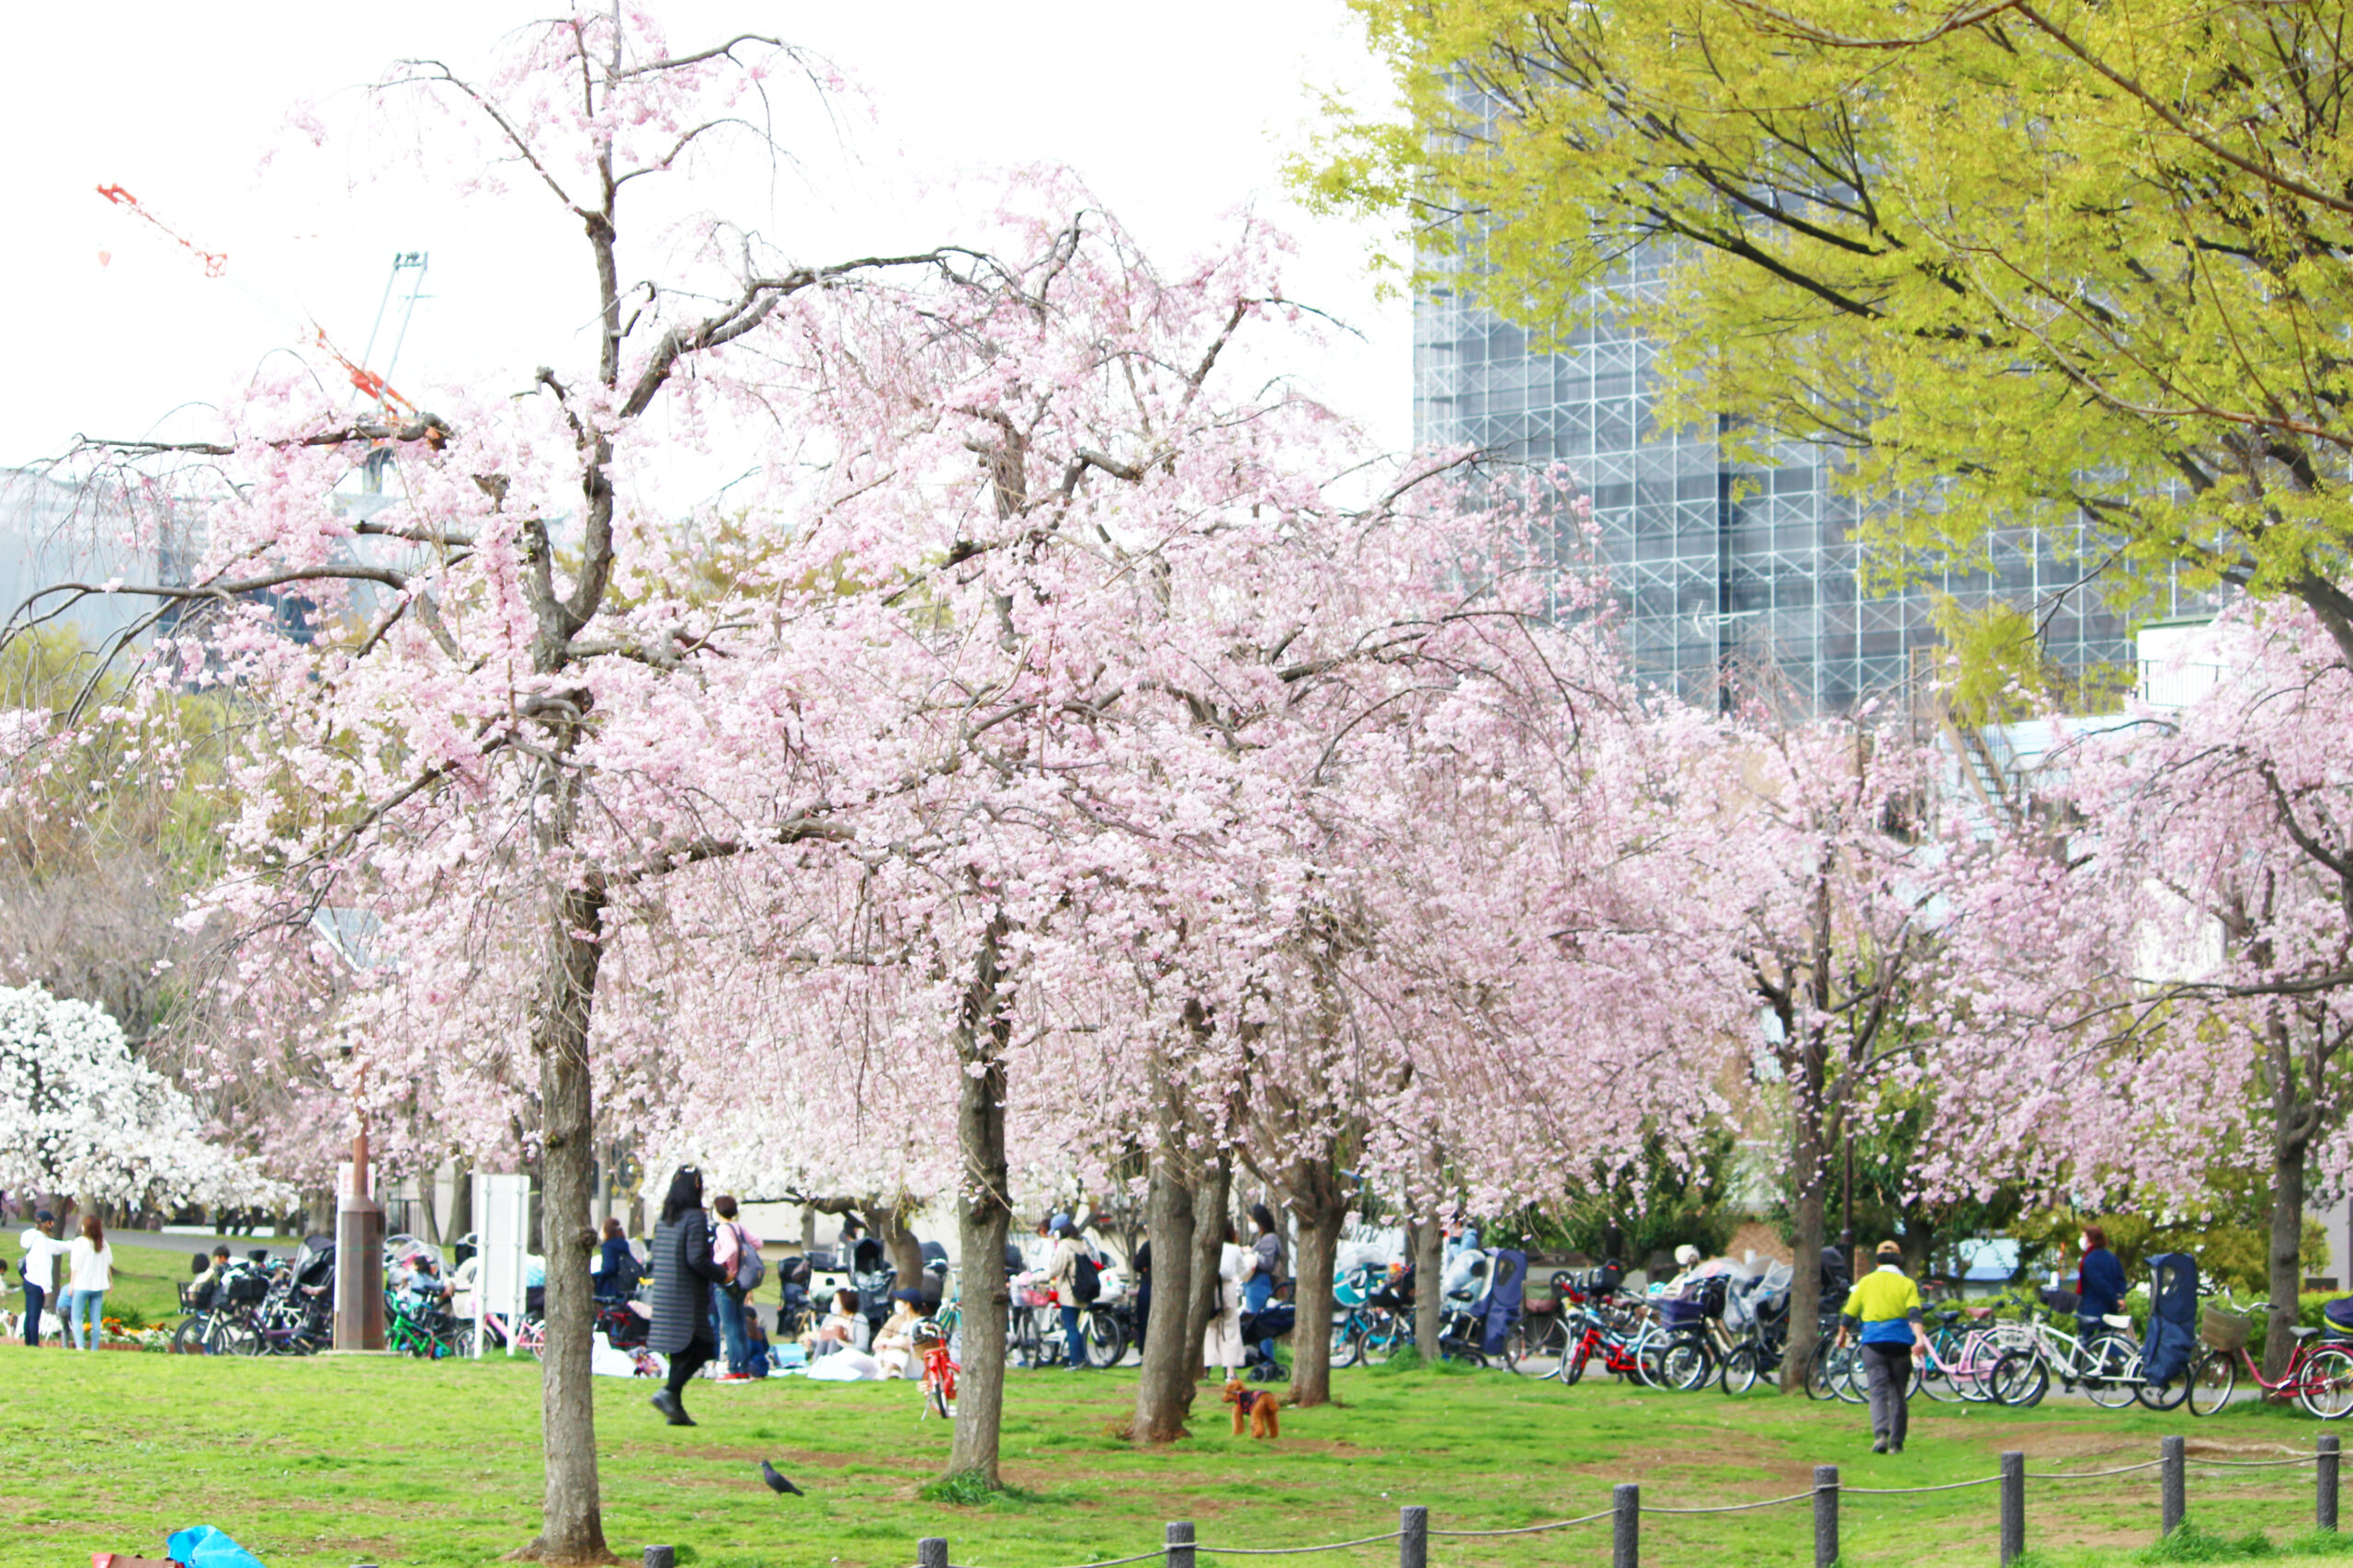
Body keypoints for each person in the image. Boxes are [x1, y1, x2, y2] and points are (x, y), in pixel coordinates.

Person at [647, 1165, 731, 1426]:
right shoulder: (695, 1217)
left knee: (680, 1352)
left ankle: (676, 1409)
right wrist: (722, 1275)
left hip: (663, 1294)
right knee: (704, 1346)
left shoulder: (665, 1217)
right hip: (685, 1295)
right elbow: (696, 1258)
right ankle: (669, 1391)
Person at [1838, 1239, 1928, 1455]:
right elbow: (1914, 1313)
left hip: (1873, 1343)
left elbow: (1850, 1312)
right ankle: (1897, 1443)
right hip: (1900, 1342)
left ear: (1877, 1262)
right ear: (1900, 1262)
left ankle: (1881, 1435)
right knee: (1898, 1392)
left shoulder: (1866, 1282)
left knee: (1878, 1391)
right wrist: (1919, 1339)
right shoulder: (1907, 1284)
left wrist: (1841, 1334)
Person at [710, 1195, 760, 1383]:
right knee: (739, 1324)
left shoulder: (723, 1229)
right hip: (742, 1282)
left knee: (729, 1326)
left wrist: (716, 1262)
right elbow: (758, 1243)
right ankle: (744, 1367)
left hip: (727, 1281)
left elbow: (730, 1247)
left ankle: (733, 1368)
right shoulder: (738, 1227)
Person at [1203, 1218, 1246, 1383]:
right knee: (1230, 1329)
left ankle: (1206, 1368)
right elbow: (1243, 1271)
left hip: (1210, 1289)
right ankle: (1229, 1370)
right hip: (1227, 1289)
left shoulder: (1210, 1248)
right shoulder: (1234, 1249)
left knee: (1209, 1328)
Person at [1049, 1220, 1095, 1370]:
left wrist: (1035, 1276)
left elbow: (1055, 1269)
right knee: (1075, 1327)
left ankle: (1076, 1361)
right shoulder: (1083, 1245)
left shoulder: (1064, 1246)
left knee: (1070, 1327)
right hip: (1082, 1290)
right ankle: (1081, 1358)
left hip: (1069, 1292)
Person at [17, 1210, 65, 1348]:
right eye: (51, 1222)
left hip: (29, 1281)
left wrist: (75, 1245)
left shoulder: (36, 1239)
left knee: (30, 1314)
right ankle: (33, 1343)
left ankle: (29, 1342)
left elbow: (57, 1246)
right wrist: (47, 1289)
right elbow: (44, 1267)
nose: (53, 1225)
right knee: (34, 1315)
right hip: (36, 1283)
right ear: (46, 1224)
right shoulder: (41, 1242)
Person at [1244, 1204, 1285, 1368]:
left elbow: (1267, 1263)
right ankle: (1262, 1360)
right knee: (1256, 1322)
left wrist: (1250, 1254)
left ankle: (1268, 1361)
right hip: (1252, 1283)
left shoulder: (1269, 1239)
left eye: (1251, 1220)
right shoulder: (1261, 1238)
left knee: (1261, 1322)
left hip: (1259, 1283)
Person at [64, 1214, 113, 1351]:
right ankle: (94, 1347)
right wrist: (110, 1282)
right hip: (99, 1286)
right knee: (96, 1319)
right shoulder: (103, 1244)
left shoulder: (80, 1242)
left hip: (81, 1285)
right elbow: (108, 1265)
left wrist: (71, 1284)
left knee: (77, 1317)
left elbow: (74, 1266)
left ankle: (80, 1346)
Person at [2076, 1224, 2128, 1342]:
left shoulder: (2089, 1259)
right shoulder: (2111, 1257)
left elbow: (2100, 1284)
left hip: (2091, 1308)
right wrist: (2118, 1297)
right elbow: (2121, 1279)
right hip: (2111, 1308)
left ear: (2090, 1239)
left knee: (2084, 1342)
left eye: (2083, 1237)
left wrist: (2112, 1298)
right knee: (2109, 1340)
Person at [872, 1287, 927, 1378]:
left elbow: (910, 1343)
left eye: (900, 1300)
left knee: (899, 1351)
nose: (897, 1303)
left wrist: (890, 1343)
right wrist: (883, 1344)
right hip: (885, 1358)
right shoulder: (895, 1319)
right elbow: (877, 1341)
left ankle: (885, 1373)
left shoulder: (921, 1322)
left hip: (914, 1363)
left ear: (908, 1305)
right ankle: (892, 1372)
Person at [593, 1217, 641, 1303]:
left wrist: (595, 1277)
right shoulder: (623, 1244)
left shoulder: (608, 1246)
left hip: (611, 1286)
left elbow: (609, 1268)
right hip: (623, 1285)